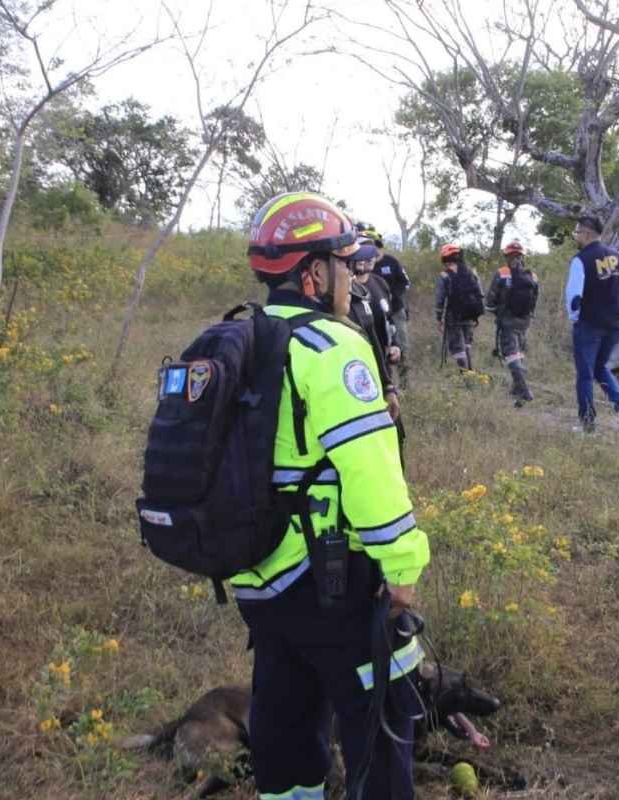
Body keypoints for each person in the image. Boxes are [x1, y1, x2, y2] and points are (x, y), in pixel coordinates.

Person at [238, 192, 430, 800]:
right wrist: (403, 570)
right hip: (331, 576)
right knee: (380, 721)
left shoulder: (243, 337)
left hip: (255, 573)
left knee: (286, 718)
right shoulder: (333, 347)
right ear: (315, 273)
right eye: (347, 264)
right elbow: (372, 475)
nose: (354, 275)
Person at [564, 214, 619, 433]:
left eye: (577, 232)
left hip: (589, 325)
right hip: (614, 325)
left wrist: (576, 320)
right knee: (600, 367)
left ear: (586, 233)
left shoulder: (581, 260)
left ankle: (587, 423)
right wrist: (618, 313)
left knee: (585, 374)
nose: (576, 236)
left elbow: (574, 299)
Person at [346, 238, 401, 421]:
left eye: (371, 252)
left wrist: (395, 345)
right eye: (362, 252)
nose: (368, 257)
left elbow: (389, 319)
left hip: (383, 364)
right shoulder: (344, 294)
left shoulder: (380, 284)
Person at [484, 240, 539, 406]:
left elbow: (490, 300)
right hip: (525, 320)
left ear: (507, 256)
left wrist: (494, 311)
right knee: (519, 353)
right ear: (522, 256)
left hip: (507, 320)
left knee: (510, 355)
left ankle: (524, 390)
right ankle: (516, 389)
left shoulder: (501, 273)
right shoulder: (532, 275)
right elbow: (535, 297)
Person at [371, 232, 412, 389]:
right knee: (380, 346)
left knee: (401, 345)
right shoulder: (366, 265)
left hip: (395, 310)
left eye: (376, 247)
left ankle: (404, 383)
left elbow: (405, 282)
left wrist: (392, 294)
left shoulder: (391, 262)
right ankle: (385, 383)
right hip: (376, 314)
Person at [433, 244, 484, 370]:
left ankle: (467, 378)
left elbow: (440, 299)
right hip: (470, 315)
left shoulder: (445, 276)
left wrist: (439, 318)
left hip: (453, 317)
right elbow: (480, 294)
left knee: (458, 348)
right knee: (466, 345)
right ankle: (471, 374)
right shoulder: (472, 272)